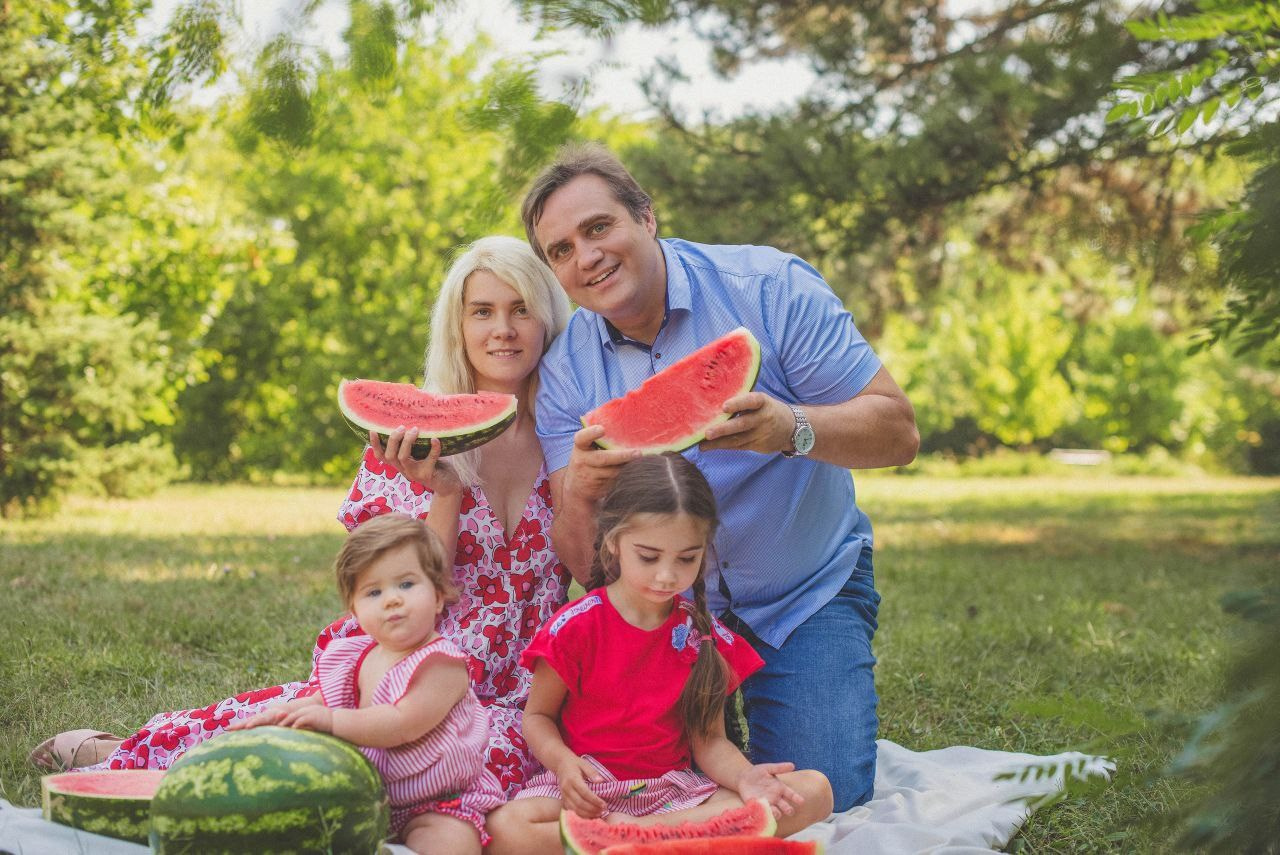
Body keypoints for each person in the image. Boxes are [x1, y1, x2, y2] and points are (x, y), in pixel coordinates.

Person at [32, 236, 573, 800]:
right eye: (482, 312)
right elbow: (395, 589)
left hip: (528, 691)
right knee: (283, 744)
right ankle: (125, 753)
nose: (502, 329)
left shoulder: (568, 436)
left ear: (547, 320)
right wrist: (444, 493)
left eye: (520, 310)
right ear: (457, 327)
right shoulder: (409, 438)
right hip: (413, 669)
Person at [522, 143, 920, 811]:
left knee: (831, 801)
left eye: (598, 228)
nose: (584, 256)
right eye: (560, 250)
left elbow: (899, 431)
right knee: (649, 794)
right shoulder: (567, 371)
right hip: (666, 617)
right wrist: (585, 489)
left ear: (646, 217)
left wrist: (791, 428)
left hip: (803, 591)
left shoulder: (771, 290)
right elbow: (585, 564)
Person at [486, 454, 832, 854]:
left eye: (687, 558)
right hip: (592, 791)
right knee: (506, 828)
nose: (667, 575)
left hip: (671, 793)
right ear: (614, 540)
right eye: (648, 556)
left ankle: (641, 836)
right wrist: (563, 764)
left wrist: (746, 778)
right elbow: (538, 717)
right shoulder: (574, 627)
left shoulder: (701, 635)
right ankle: (673, 841)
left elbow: (710, 742)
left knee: (816, 790)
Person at [230, 513, 504, 853]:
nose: (391, 599)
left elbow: (401, 723)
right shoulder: (360, 656)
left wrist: (331, 723)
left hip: (441, 802)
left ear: (437, 596)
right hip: (371, 799)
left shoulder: (441, 665)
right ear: (355, 611)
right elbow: (323, 702)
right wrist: (281, 717)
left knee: (448, 843)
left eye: (406, 584)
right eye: (373, 592)